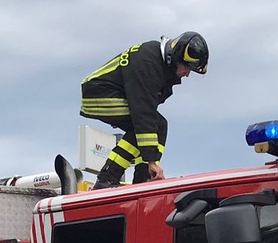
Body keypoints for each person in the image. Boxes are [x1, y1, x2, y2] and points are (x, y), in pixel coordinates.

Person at [80, 32, 208, 188]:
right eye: (186, 67)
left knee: (158, 125)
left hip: (112, 93)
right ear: (174, 58)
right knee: (148, 125)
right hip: (98, 94)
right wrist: (152, 162)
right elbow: (143, 114)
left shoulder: (157, 64)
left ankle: (143, 180)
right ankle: (107, 179)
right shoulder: (148, 62)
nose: (187, 74)